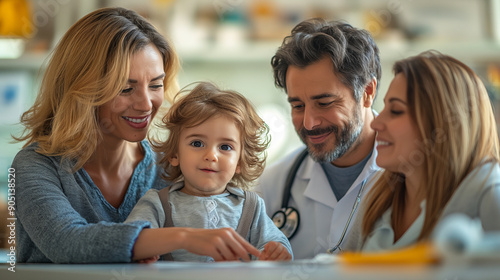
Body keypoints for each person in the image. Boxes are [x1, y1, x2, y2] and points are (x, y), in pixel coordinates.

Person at [11, 7, 260, 263]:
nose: (146, 104)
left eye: (155, 85)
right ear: (83, 89)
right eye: (126, 88)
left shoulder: (172, 165)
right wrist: (184, 237)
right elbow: (66, 243)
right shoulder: (35, 166)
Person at [343, 51, 500, 252]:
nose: (377, 123)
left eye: (396, 111)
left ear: (444, 123)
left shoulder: (488, 194)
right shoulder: (378, 197)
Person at [255, 18, 382, 259]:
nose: (309, 123)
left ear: (367, 93)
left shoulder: (411, 174)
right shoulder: (271, 185)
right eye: (298, 106)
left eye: (324, 103)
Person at [125, 82, 293, 261]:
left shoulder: (252, 207)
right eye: (197, 143)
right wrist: (142, 255)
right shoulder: (157, 204)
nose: (211, 155)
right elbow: (129, 241)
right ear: (174, 154)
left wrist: (278, 251)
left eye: (225, 147)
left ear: (239, 162)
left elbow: (276, 243)